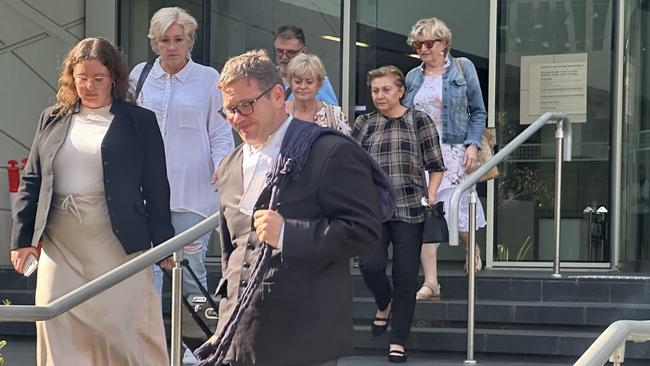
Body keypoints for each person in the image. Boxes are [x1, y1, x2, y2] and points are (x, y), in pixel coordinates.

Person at [211, 49, 382, 366]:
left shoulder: (328, 150)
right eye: (230, 110)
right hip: (238, 340)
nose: (237, 118)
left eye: (246, 105)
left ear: (277, 95)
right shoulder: (229, 166)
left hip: (303, 342)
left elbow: (365, 232)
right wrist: (224, 326)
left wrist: (289, 233)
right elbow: (230, 254)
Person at [9, 37, 171, 365]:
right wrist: (22, 240)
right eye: (82, 78)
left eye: (98, 79)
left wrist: (164, 243)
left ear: (114, 77)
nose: (90, 86)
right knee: (55, 321)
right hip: (60, 243)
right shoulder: (51, 118)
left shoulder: (140, 121)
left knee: (120, 332)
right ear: (71, 77)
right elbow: (32, 180)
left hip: (116, 243)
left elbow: (156, 188)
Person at [129, 9, 234, 362]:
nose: (171, 47)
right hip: (145, 198)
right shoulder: (139, 77)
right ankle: (153, 347)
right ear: (154, 42)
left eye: (178, 39)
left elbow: (220, 133)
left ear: (190, 41)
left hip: (193, 196)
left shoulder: (208, 79)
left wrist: (224, 168)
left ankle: (202, 347)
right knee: (147, 277)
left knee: (191, 277)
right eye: (164, 40)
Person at [352, 65, 445, 363]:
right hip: (372, 210)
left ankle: (397, 341)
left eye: (386, 90)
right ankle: (383, 303)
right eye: (375, 90)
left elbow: (436, 165)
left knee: (405, 277)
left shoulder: (419, 120)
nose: (379, 96)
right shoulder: (364, 123)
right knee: (369, 265)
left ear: (401, 90)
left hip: (409, 209)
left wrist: (430, 196)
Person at [402, 17, 488, 301]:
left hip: (453, 152)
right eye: (418, 44)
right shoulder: (413, 76)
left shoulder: (463, 69)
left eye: (429, 43)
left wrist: (472, 145)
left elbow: (478, 111)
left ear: (444, 44)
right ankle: (431, 282)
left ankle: (470, 247)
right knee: (428, 215)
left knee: (457, 214)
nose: (423, 49)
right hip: (422, 154)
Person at [286, 53, 350, 135]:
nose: (303, 86)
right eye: (298, 82)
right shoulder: (280, 112)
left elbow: (346, 146)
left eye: (309, 82)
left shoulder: (336, 116)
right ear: (290, 83)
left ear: (319, 84)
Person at [274, 25, 338, 105]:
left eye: (290, 52)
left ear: (304, 52)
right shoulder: (267, 78)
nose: (284, 57)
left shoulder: (317, 80)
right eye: (279, 51)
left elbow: (332, 113)